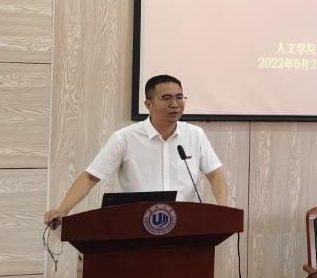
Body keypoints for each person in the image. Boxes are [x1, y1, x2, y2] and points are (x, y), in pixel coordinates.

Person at [43, 74, 229, 225]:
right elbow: (91, 176)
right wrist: (63, 210)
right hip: (138, 223)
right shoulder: (125, 138)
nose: (175, 104)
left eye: (179, 97)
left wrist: (223, 207)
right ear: (148, 105)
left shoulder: (195, 135)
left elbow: (215, 174)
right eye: (166, 98)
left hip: (185, 223)